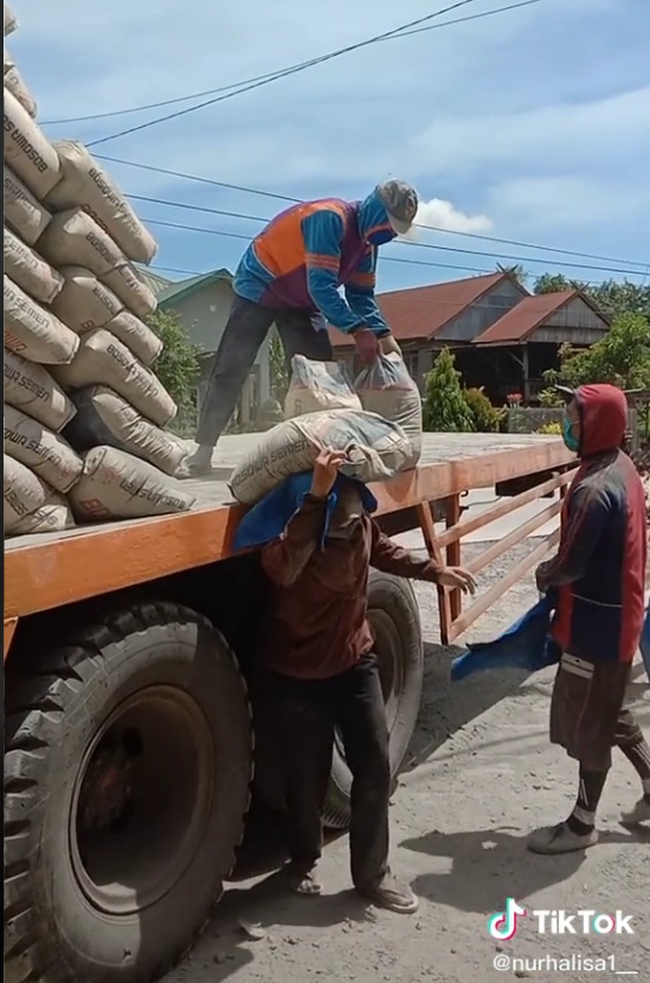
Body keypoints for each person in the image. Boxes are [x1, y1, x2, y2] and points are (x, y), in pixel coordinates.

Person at [256, 448, 477, 912]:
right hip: (300, 674)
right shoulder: (292, 545)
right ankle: (301, 861)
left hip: (356, 662)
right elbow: (284, 564)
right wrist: (316, 497)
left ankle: (373, 875)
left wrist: (435, 571)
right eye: (348, 518)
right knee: (306, 776)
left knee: (374, 765)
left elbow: (383, 548)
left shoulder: (359, 527)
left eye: (361, 514)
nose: (358, 525)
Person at [186, 180, 418, 474]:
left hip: (301, 298)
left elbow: (361, 297)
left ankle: (314, 454)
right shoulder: (329, 218)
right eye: (390, 223)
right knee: (233, 365)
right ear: (374, 209)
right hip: (262, 283)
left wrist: (385, 337)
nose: (391, 234)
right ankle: (203, 452)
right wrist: (357, 330)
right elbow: (322, 287)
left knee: (320, 375)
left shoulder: (366, 248)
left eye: (397, 229)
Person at [528, 383, 650, 855]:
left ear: (595, 423)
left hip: (596, 624)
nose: (566, 422)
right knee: (609, 705)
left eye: (572, 415)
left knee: (588, 725)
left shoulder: (595, 488)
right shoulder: (621, 467)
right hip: (621, 616)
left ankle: (582, 823)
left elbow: (570, 565)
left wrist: (544, 576)